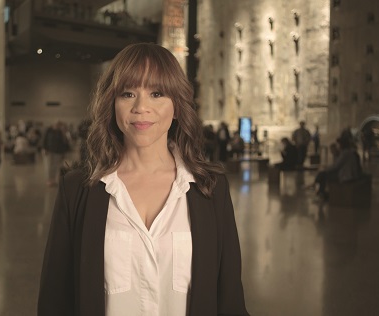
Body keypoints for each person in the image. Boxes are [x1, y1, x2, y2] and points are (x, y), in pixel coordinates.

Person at [38, 43, 248, 316]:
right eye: (128, 94)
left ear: (177, 105)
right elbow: (55, 301)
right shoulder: (77, 189)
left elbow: (230, 300)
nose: (141, 107)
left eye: (156, 93)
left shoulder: (210, 188)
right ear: (112, 104)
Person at [42, 120, 71, 186]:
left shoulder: (61, 132)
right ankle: (50, 179)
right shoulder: (49, 130)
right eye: (56, 125)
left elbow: (65, 143)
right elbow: (44, 139)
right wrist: (44, 148)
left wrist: (64, 152)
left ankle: (53, 180)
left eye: (59, 125)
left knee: (55, 166)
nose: (57, 126)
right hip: (49, 151)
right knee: (49, 166)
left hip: (58, 151)